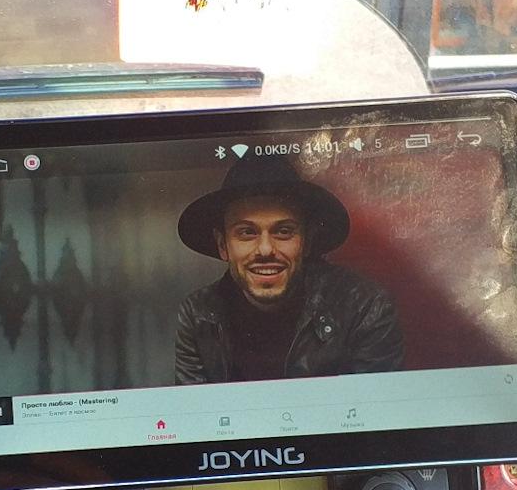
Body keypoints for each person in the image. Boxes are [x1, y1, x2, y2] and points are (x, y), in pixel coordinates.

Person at [173, 154, 403, 383]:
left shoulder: (365, 308)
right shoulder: (198, 315)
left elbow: (375, 404)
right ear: (223, 245)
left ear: (307, 242)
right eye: (247, 232)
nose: (265, 249)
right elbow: (195, 405)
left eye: (283, 231)